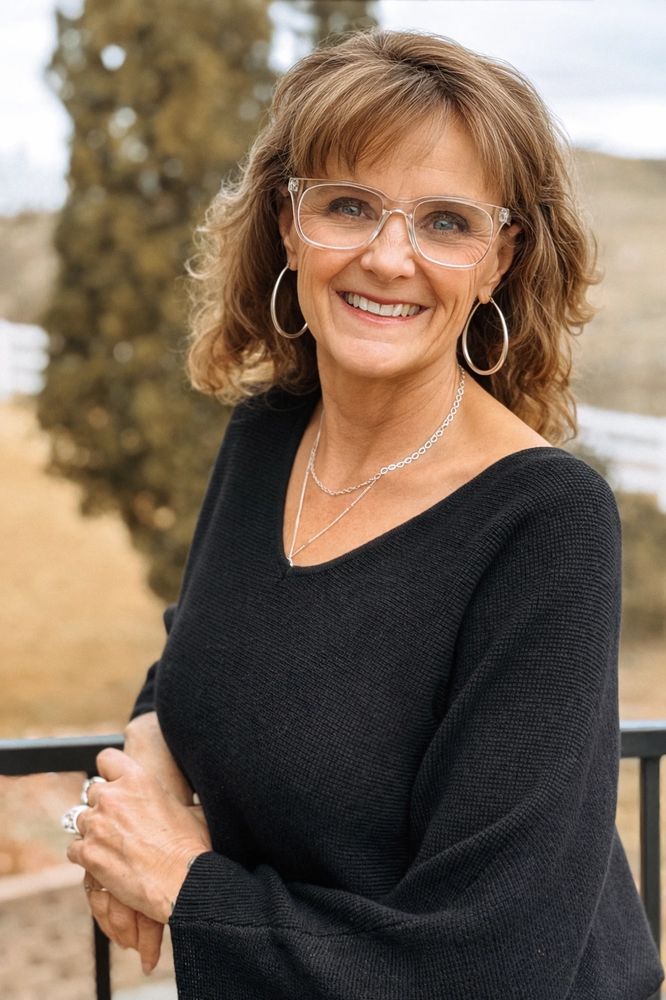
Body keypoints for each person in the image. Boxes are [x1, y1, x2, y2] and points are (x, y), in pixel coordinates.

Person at [61, 29, 664, 999]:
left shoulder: (546, 522)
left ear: (499, 259)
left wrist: (182, 882)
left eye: (445, 222)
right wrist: (136, 793)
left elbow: (490, 971)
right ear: (288, 224)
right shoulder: (265, 443)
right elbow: (197, 661)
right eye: (348, 205)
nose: (390, 257)